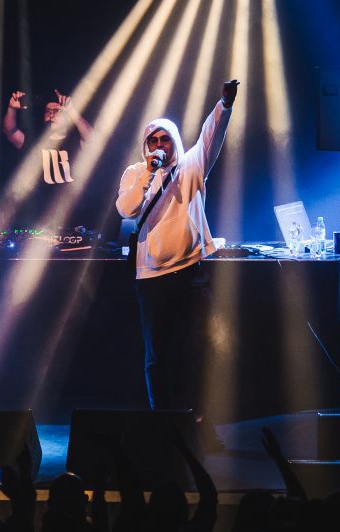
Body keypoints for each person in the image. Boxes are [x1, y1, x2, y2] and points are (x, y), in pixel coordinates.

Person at [115, 80, 240, 412]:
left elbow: (211, 135)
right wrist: (148, 173)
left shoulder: (192, 165)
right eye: (153, 141)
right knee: (157, 354)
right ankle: (162, 418)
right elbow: (127, 209)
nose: (159, 145)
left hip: (189, 273)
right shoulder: (135, 173)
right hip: (151, 277)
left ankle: (197, 415)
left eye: (165, 139)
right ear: (146, 145)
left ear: (174, 141)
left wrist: (224, 106)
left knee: (201, 346)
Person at [2, 89, 94, 229]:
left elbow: (92, 138)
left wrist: (73, 112)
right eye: (48, 111)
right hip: (39, 218)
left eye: (57, 111)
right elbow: (10, 131)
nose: (51, 114)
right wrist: (11, 109)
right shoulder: (34, 142)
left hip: (72, 215)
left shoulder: (75, 139)